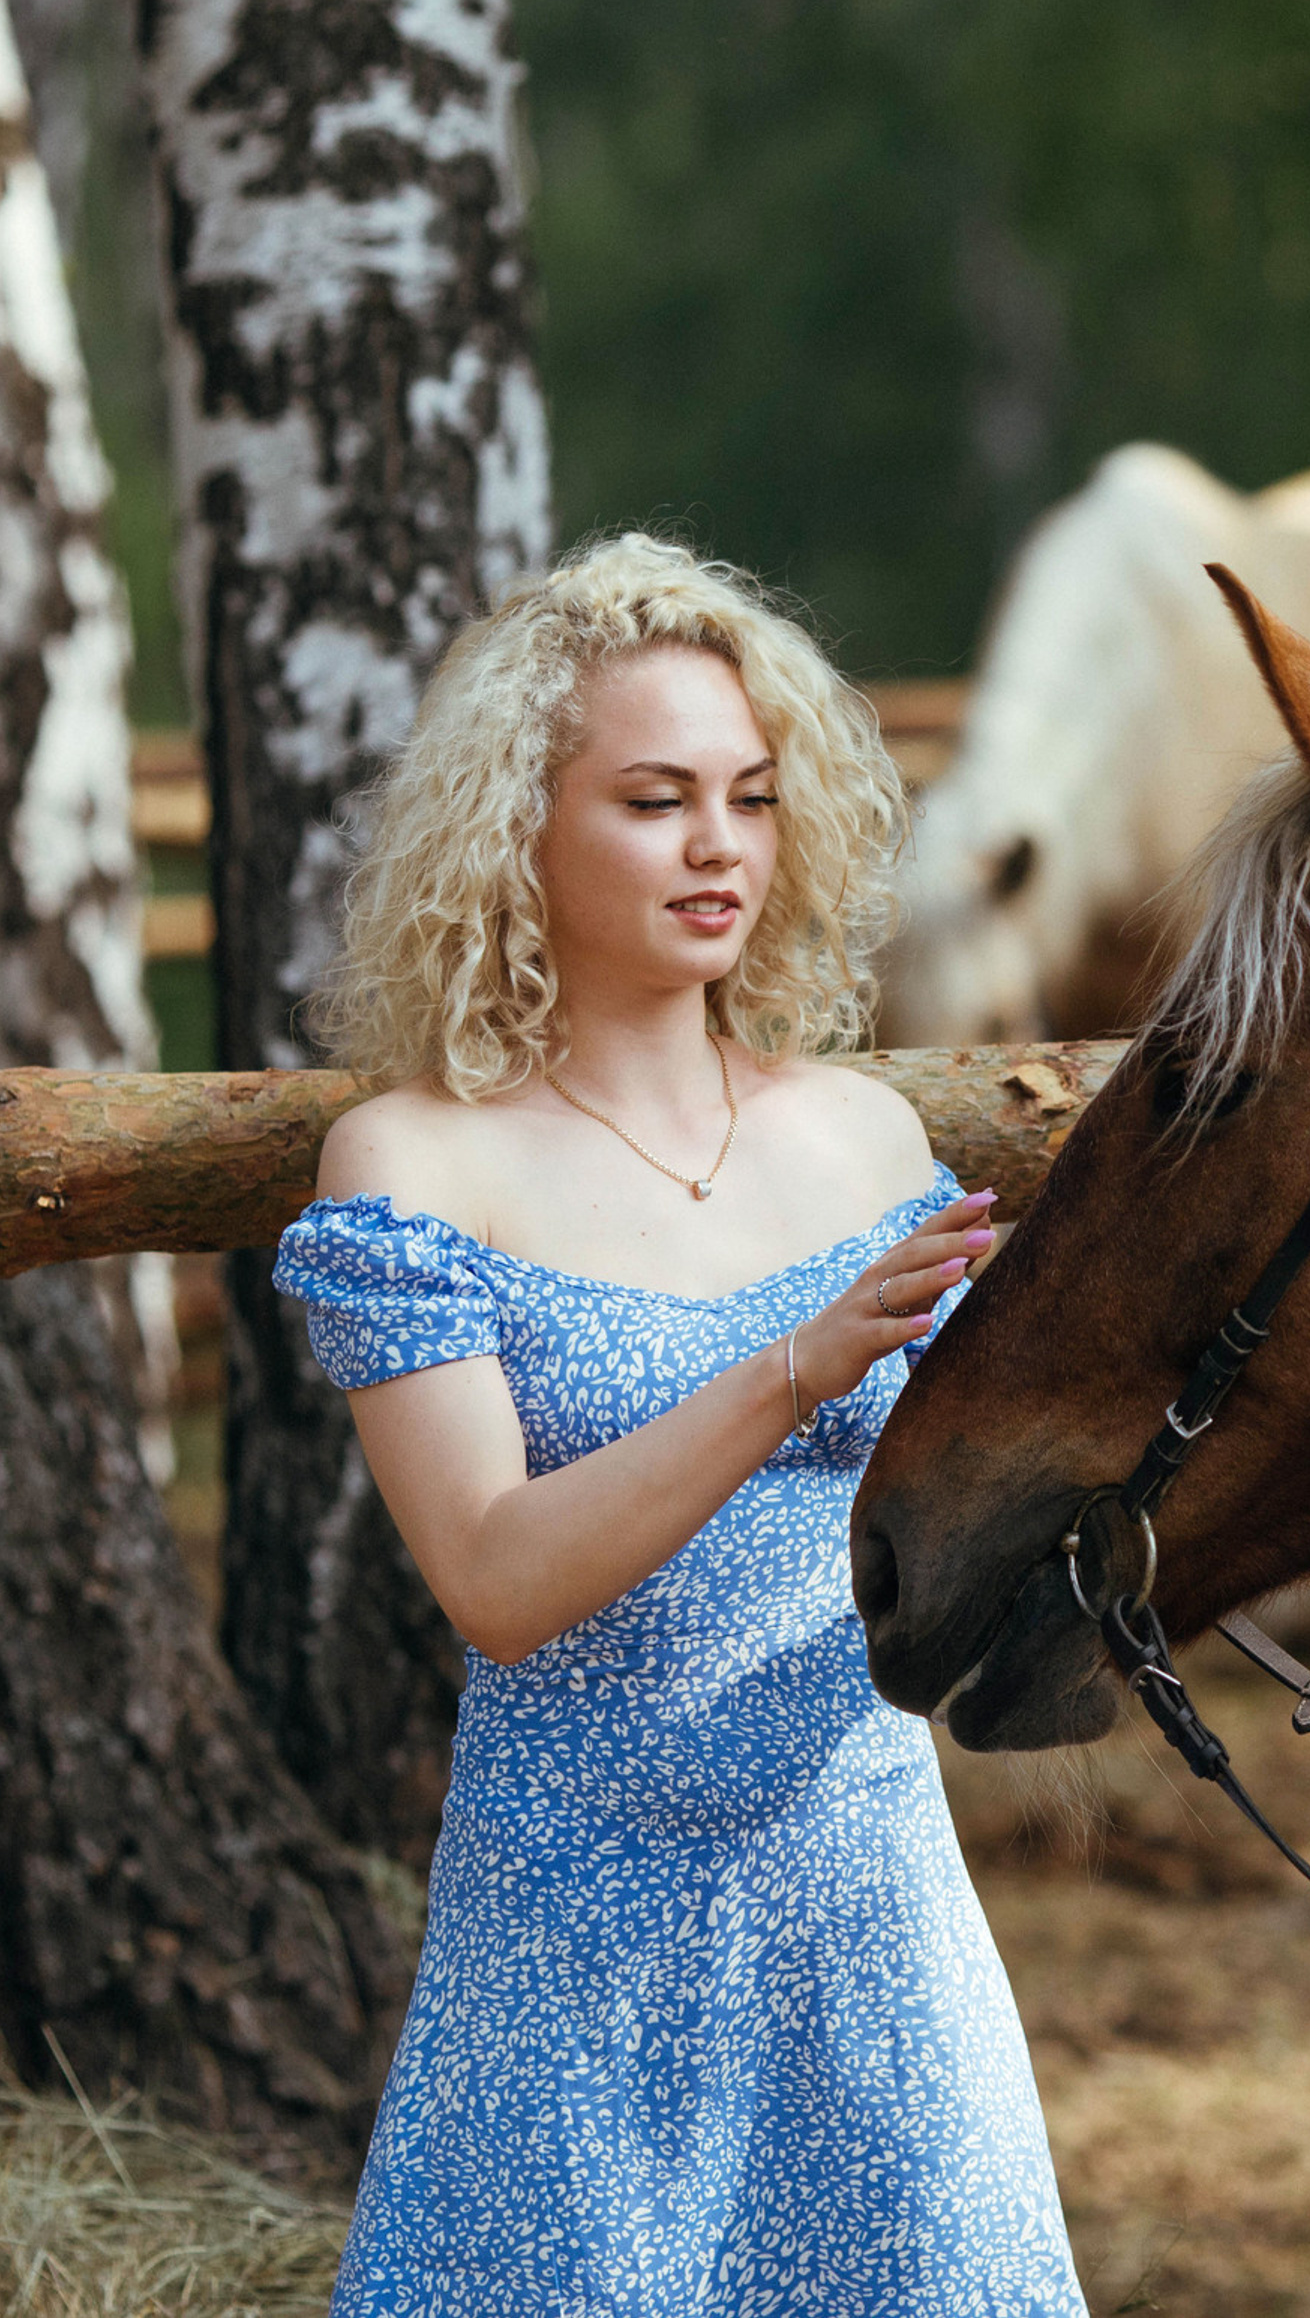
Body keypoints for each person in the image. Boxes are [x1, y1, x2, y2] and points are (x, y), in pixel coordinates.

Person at [273, 534, 1087, 2316]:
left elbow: (967, 1530)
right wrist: (791, 1370)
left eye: (749, 797)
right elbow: (492, 1580)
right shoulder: (418, 1165)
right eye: (654, 801)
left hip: (868, 1905)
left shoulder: (868, 1142)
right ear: (522, 826)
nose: (718, 845)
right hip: (574, 1938)